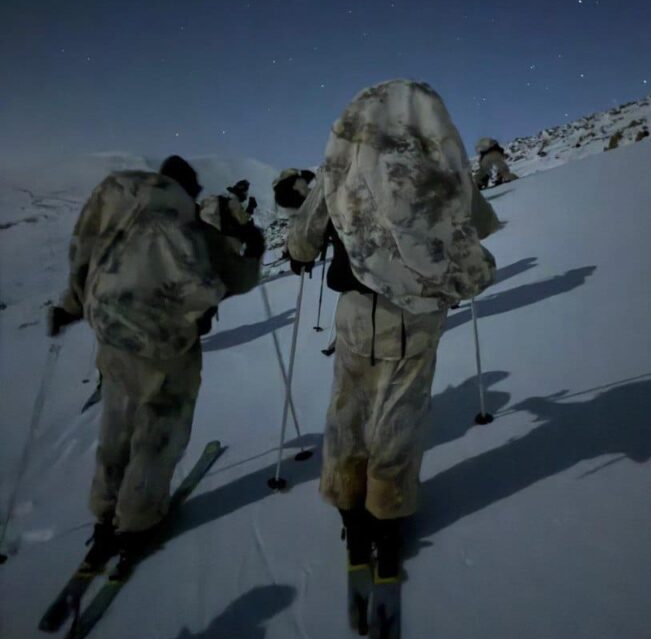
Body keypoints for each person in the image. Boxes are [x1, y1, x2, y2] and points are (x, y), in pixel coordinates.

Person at [286, 80, 500, 581]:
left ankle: (350, 510)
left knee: (349, 408)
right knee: (400, 414)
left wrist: (304, 248)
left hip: (356, 309)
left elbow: (304, 236)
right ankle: (387, 519)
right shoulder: (437, 165)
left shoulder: (341, 163)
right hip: (419, 312)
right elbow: (480, 223)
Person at [48, 155, 263, 573]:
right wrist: (252, 246)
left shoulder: (118, 204)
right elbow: (235, 279)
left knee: (117, 423)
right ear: (188, 189)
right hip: (165, 344)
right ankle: (138, 521)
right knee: (159, 433)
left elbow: (82, 254)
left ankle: (105, 512)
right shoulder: (188, 220)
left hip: (112, 334)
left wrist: (70, 305)